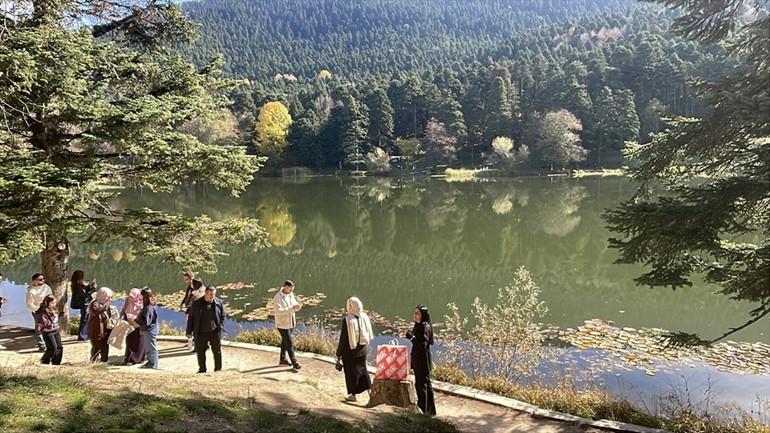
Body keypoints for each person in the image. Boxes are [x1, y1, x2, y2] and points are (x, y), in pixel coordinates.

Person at [335, 296, 373, 402]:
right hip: (363, 349)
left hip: (350, 351)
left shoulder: (347, 320)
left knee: (351, 373)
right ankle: (370, 392)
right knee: (363, 371)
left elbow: (343, 339)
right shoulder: (364, 316)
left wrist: (338, 353)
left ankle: (353, 395)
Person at [186, 285, 225, 373]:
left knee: (217, 351)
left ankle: (218, 369)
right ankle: (202, 369)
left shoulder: (218, 302)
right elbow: (191, 318)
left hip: (214, 331)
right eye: (211, 294)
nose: (212, 296)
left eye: (214, 294)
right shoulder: (196, 304)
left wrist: (221, 326)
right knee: (200, 352)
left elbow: (222, 315)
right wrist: (189, 331)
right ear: (205, 294)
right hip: (200, 332)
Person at [406, 305, 436, 415]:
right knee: (425, 385)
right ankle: (430, 411)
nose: (415, 315)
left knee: (422, 385)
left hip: (422, 361)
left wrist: (411, 338)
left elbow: (422, 345)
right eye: (414, 313)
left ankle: (423, 409)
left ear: (422, 315)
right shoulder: (421, 325)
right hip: (420, 360)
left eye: (417, 313)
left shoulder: (424, 327)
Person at [272, 279, 301, 370]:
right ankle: (294, 362)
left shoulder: (290, 294)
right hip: (282, 324)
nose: (292, 291)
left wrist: (297, 306)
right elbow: (279, 311)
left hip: (291, 322)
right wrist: (290, 308)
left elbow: (294, 303)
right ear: (285, 287)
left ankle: (282, 359)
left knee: (285, 341)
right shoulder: (277, 298)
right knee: (289, 342)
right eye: (290, 289)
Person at [87, 287, 116, 362]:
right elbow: (97, 311)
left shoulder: (105, 304)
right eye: (107, 297)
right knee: (96, 347)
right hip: (96, 330)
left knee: (105, 346)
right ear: (101, 295)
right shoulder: (94, 303)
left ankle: (104, 361)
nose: (109, 299)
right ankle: (93, 361)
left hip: (105, 330)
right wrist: (106, 305)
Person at [26, 273, 52, 351]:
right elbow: (29, 303)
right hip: (37, 311)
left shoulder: (46, 287)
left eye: (43, 279)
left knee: (49, 326)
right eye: (40, 279)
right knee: (39, 327)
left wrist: (50, 307)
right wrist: (37, 310)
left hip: (47, 310)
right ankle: (42, 345)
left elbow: (51, 297)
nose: (43, 281)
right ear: (34, 281)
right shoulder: (31, 291)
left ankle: (49, 343)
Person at [180, 272, 204, 352]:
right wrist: (182, 303)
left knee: (197, 328)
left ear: (191, 278)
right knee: (191, 327)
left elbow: (195, 301)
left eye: (187, 279)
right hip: (192, 310)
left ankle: (199, 346)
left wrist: (188, 311)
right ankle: (193, 342)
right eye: (185, 279)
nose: (185, 281)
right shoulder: (190, 287)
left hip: (198, 311)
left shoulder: (198, 288)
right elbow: (187, 296)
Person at [70, 270, 97, 341]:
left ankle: (85, 335)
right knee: (84, 319)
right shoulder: (77, 286)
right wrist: (93, 289)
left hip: (85, 303)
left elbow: (86, 291)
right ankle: (82, 336)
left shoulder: (79, 284)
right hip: (84, 304)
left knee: (86, 319)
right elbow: (85, 295)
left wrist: (91, 286)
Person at [35, 295, 63, 365]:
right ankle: (44, 361)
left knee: (60, 347)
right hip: (47, 331)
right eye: (52, 303)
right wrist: (52, 317)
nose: (54, 305)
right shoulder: (42, 311)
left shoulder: (54, 309)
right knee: (52, 348)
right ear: (47, 303)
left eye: (54, 303)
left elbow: (56, 320)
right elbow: (44, 323)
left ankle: (56, 363)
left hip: (55, 329)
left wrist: (58, 315)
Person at [122, 288, 145, 365]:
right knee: (130, 342)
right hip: (130, 325)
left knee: (140, 343)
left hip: (138, 325)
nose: (131, 298)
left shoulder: (142, 302)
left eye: (133, 296)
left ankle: (139, 358)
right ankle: (129, 359)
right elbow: (124, 310)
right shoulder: (128, 301)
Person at [138, 288, 159, 369]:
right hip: (149, 329)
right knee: (148, 347)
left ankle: (153, 364)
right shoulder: (149, 306)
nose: (140, 298)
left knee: (151, 347)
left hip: (150, 330)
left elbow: (146, 322)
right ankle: (150, 361)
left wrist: (136, 320)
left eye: (142, 297)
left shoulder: (148, 308)